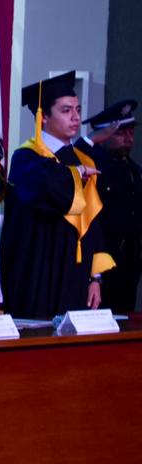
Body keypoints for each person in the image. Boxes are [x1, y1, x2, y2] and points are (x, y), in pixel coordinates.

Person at [0, 73, 115, 319]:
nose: (75, 117)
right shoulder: (26, 157)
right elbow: (51, 186)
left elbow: (91, 223)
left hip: (75, 271)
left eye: (77, 109)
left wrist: (95, 278)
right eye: (65, 110)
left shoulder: (83, 160)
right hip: (37, 267)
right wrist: (77, 174)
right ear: (43, 118)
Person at [86, 99, 140, 312]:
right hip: (101, 262)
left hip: (129, 264)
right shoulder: (92, 167)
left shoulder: (134, 171)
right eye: (120, 133)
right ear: (104, 135)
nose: (128, 138)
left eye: (131, 132)